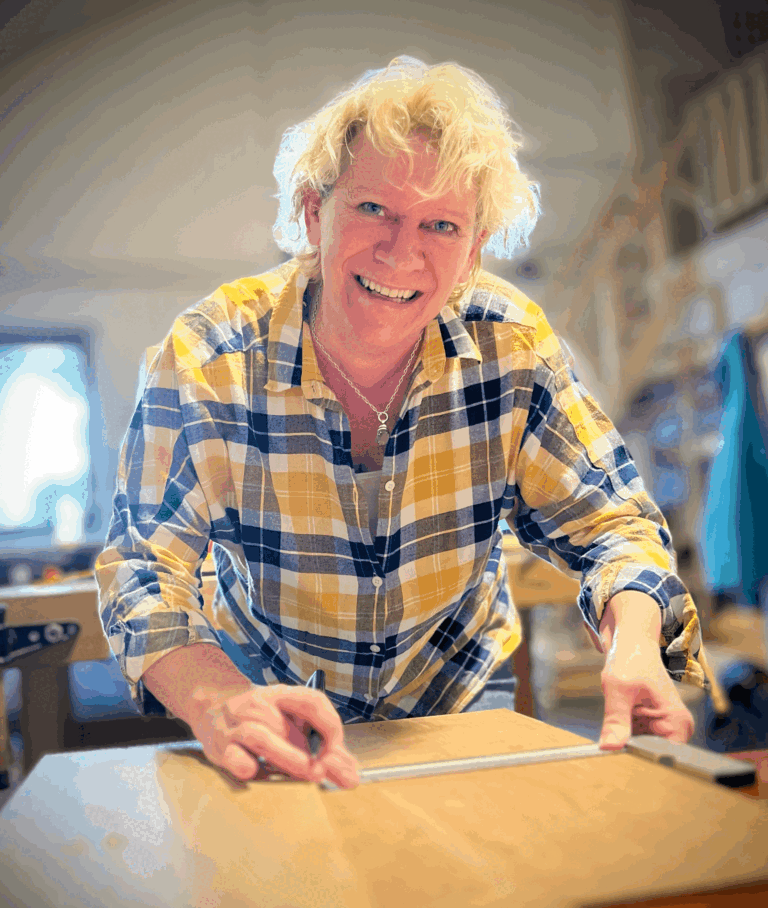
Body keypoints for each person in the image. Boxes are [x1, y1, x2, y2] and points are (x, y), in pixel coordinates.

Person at [96, 56, 709, 792]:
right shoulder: (211, 354)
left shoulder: (510, 346)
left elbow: (614, 524)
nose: (401, 251)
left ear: (473, 250)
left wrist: (635, 642)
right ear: (314, 213)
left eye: (441, 225)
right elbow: (144, 568)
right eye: (373, 209)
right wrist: (219, 701)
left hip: (458, 694)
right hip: (267, 695)